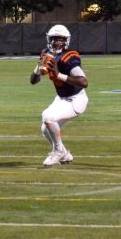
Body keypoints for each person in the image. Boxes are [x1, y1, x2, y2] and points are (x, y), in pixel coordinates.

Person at [30, 24, 88, 166]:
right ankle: (65, 155)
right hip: (61, 99)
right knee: (45, 129)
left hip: (76, 99)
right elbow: (33, 81)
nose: (57, 42)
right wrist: (39, 68)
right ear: (49, 39)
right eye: (55, 39)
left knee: (48, 116)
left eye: (61, 39)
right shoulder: (46, 54)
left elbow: (83, 82)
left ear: (66, 41)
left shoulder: (69, 57)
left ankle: (58, 151)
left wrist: (58, 75)